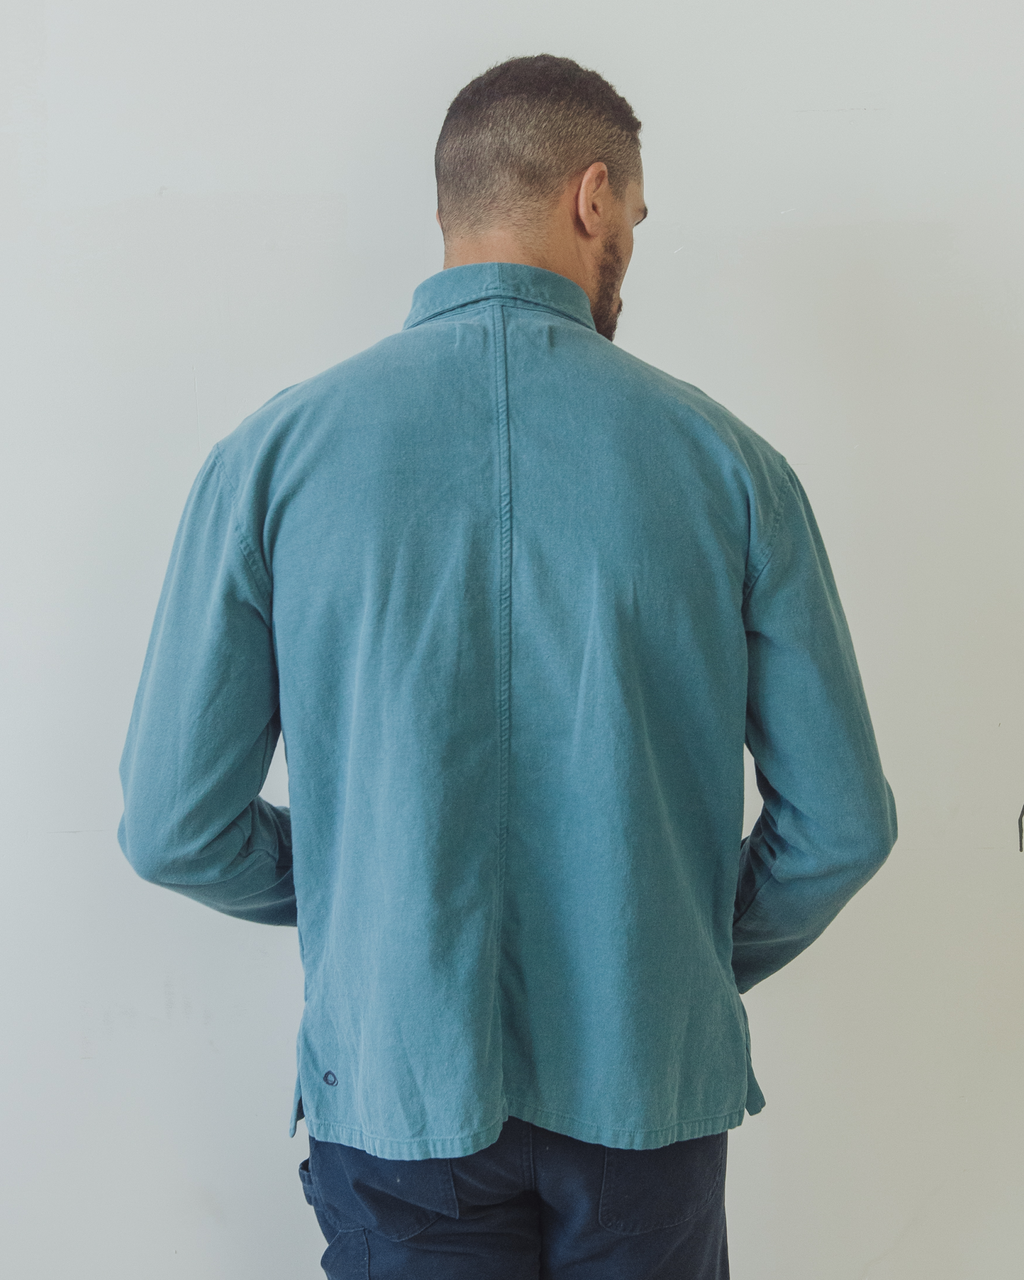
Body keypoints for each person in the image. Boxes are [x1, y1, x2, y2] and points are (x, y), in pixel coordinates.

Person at [118, 54, 897, 1279]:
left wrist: (367, 903)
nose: (627, 256)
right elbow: (842, 823)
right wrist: (665, 943)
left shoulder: (268, 461)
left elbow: (173, 824)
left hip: (395, 1092)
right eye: (631, 223)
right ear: (592, 198)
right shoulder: (731, 465)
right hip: (647, 1084)